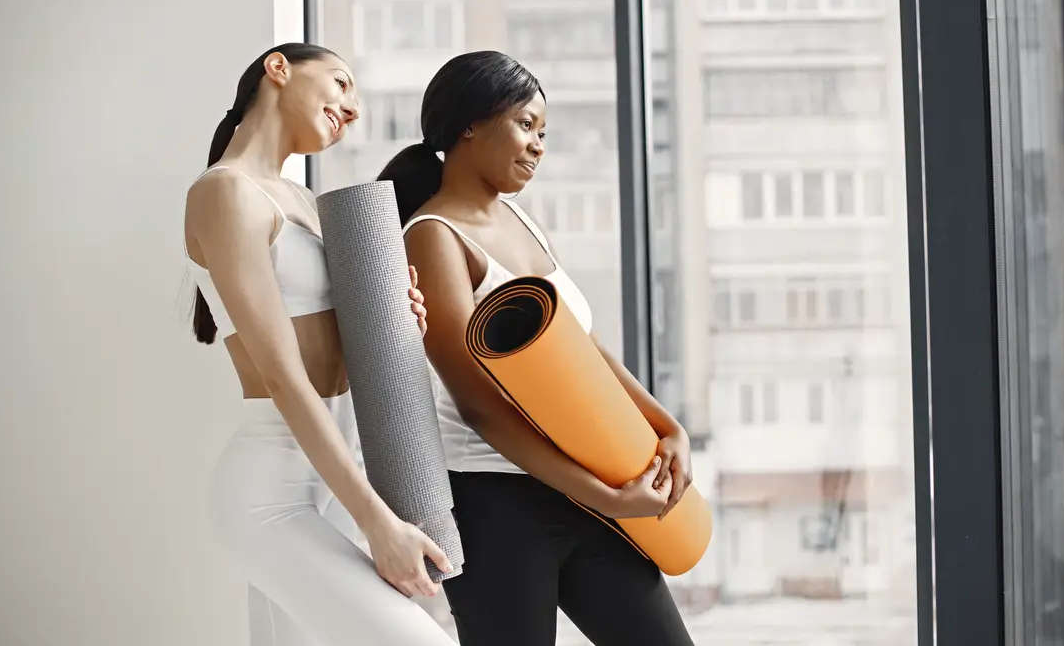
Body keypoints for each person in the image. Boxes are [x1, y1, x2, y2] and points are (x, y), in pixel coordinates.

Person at [378, 50, 696, 646]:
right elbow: (479, 406)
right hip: (494, 503)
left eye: (543, 132)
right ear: (469, 123)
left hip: (576, 484)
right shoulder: (431, 236)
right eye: (526, 124)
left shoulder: (523, 220)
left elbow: (583, 347)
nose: (539, 145)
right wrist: (604, 496)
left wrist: (665, 425)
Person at [184, 43, 456, 645]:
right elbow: (282, 374)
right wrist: (378, 524)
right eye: (341, 83)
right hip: (273, 492)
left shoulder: (306, 203)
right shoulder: (225, 193)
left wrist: (394, 315)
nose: (352, 109)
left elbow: (343, 345)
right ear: (278, 68)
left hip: (344, 470)